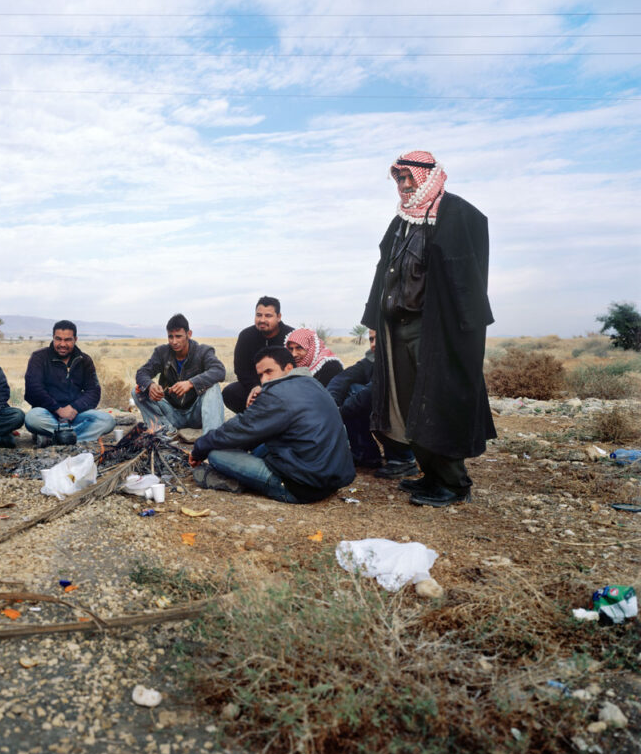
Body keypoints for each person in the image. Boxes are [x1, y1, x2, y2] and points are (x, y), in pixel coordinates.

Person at [361, 151, 496, 507]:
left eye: (409, 178)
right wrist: (375, 320)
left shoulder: (455, 214)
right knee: (408, 408)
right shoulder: (402, 221)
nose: (404, 186)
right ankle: (431, 475)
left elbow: (466, 282)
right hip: (397, 329)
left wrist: (460, 335)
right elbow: (383, 273)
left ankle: (454, 484)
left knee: (436, 405)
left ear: (426, 177)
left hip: (434, 332)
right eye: (399, 179)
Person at [189, 346, 355, 504]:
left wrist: (200, 448)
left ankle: (240, 480)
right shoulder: (314, 385)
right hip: (331, 481)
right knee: (259, 441)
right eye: (260, 375)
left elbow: (238, 429)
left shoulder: (278, 394)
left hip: (300, 487)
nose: (265, 379)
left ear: (289, 368)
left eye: (269, 371)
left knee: (216, 454)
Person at [327, 329, 417, 476]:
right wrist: (331, 403)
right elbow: (342, 378)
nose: (373, 344)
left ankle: (403, 459)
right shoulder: (372, 359)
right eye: (371, 339)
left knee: (372, 399)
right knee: (351, 388)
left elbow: (372, 392)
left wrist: (337, 413)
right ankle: (365, 454)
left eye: (378, 339)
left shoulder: (401, 359)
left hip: (412, 418)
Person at [24, 320, 116, 445]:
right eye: (58, 339)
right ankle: (73, 437)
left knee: (107, 421)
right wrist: (57, 409)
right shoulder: (39, 357)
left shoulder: (84, 360)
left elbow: (94, 392)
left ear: (75, 339)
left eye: (67, 340)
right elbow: (32, 390)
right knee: (32, 418)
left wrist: (74, 408)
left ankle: (53, 439)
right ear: (53, 338)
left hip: (76, 415)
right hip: (48, 414)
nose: (62, 344)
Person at [132, 313, 226, 435]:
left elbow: (219, 371)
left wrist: (191, 383)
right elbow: (142, 373)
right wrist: (151, 386)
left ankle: (211, 439)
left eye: (178, 336)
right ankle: (165, 432)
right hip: (171, 413)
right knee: (138, 391)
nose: (174, 341)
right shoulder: (162, 353)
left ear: (189, 334)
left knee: (213, 387)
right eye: (170, 337)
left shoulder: (202, 351)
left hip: (196, 413)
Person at [221, 296, 294, 415]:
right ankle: (254, 420)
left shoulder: (291, 336)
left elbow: (296, 368)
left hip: (284, 388)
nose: (262, 320)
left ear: (279, 317)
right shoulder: (246, 336)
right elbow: (240, 369)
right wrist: (255, 386)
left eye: (268, 316)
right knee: (230, 392)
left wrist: (272, 387)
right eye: (259, 315)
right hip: (255, 387)